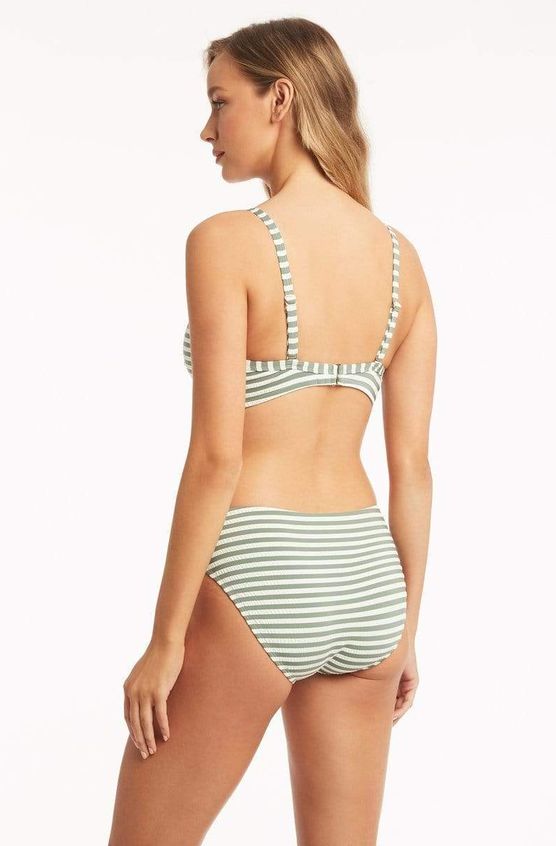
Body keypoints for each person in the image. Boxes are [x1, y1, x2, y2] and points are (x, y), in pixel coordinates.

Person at [108, 16, 436, 846]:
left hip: (263, 566)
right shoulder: (402, 261)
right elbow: (413, 469)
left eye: (220, 102)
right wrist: (401, 632)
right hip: (369, 580)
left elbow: (217, 459)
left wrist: (166, 641)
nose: (207, 128)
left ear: (279, 99)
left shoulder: (227, 244)